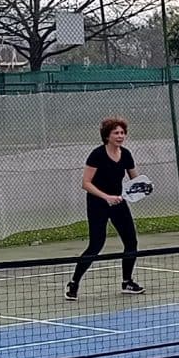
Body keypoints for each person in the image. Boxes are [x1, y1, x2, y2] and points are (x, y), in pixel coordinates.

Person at [66, 117, 145, 298]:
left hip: (118, 203)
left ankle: (127, 282)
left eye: (122, 133)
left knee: (131, 242)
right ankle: (74, 282)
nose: (120, 136)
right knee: (96, 245)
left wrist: (141, 187)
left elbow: (135, 180)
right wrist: (106, 197)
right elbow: (86, 183)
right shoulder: (97, 155)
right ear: (107, 136)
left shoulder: (126, 154)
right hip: (97, 203)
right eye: (116, 133)